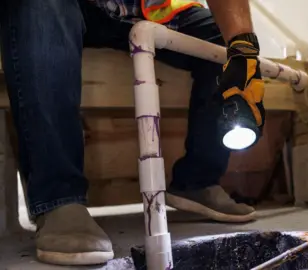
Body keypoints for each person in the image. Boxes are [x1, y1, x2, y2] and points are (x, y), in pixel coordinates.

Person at [0, 0, 265, 266]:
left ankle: (197, 180)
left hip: (149, 7)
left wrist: (244, 48)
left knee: (226, 40)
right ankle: (58, 199)